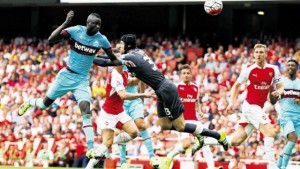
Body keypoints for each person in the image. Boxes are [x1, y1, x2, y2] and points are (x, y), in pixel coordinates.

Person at [92, 34, 229, 161]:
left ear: (127, 46)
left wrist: (87, 57)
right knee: (164, 125)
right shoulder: (137, 53)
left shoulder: (129, 57)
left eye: (121, 45)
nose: (119, 47)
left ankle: (216, 135)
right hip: (160, 90)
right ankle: (197, 132)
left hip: (166, 89)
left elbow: (106, 62)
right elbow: (110, 59)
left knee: (181, 126)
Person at [18, 10, 134, 152]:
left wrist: (126, 63)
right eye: (95, 24)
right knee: (43, 105)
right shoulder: (76, 31)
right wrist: (66, 22)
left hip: (82, 80)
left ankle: (91, 148)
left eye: (100, 24)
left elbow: (112, 59)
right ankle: (30, 102)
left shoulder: (101, 39)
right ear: (88, 23)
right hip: (66, 75)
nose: (98, 26)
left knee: (86, 111)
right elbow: (51, 39)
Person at [202, 44, 284, 169]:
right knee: (270, 133)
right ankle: (273, 166)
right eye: (257, 52)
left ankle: (205, 142)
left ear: (266, 54)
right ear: (254, 54)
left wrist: (279, 92)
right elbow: (236, 86)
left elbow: (281, 87)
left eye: (261, 52)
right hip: (250, 106)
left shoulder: (273, 69)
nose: (259, 55)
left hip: (257, 108)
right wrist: (231, 103)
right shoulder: (249, 70)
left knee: (236, 141)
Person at [85, 48, 155, 169]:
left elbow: (131, 82)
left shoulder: (124, 73)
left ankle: (108, 144)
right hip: (109, 113)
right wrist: (143, 95)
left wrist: (141, 74)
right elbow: (123, 95)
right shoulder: (115, 75)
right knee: (107, 142)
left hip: (120, 112)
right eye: (120, 59)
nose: (123, 60)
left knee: (134, 132)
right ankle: (90, 165)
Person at [160, 64, 223, 169]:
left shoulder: (195, 87)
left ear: (191, 75)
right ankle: (169, 156)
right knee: (185, 145)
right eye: (184, 73)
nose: (186, 75)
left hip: (194, 119)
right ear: (180, 75)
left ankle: (211, 167)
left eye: (188, 73)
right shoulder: (176, 87)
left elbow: (196, 102)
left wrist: (200, 111)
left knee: (204, 143)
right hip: (181, 121)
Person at [116, 43, 159, 169]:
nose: (119, 50)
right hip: (122, 100)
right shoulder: (114, 65)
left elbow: (141, 79)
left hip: (134, 99)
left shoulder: (131, 61)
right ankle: (123, 162)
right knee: (123, 130)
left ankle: (152, 156)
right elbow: (130, 81)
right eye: (117, 49)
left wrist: (141, 96)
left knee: (141, 125)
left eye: (120, 48)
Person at [274, 59, 300, 169]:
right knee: (292, 139)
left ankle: (279, 165)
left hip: (298, 117)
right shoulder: (282, 83)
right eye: (288, 65)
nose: (290, 67)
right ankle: (282, 167)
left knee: (291, 143)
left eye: (293, 65)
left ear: (297, 68)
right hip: (286, 116)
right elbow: (273, 101)